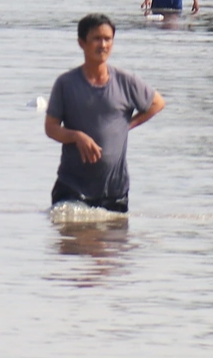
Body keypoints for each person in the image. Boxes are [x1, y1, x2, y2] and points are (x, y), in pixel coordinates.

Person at [44, 13, 165, 213]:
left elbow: (157, 103)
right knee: (71, 240)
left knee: (113, 244)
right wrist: (76, 136)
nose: (103, 45)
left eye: (108, 39)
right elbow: (51, 128)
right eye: (96, 39)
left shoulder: (125, 81)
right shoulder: (66, 83)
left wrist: (129, 125)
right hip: (72, 188)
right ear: (81, 43)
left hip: (114, 191)